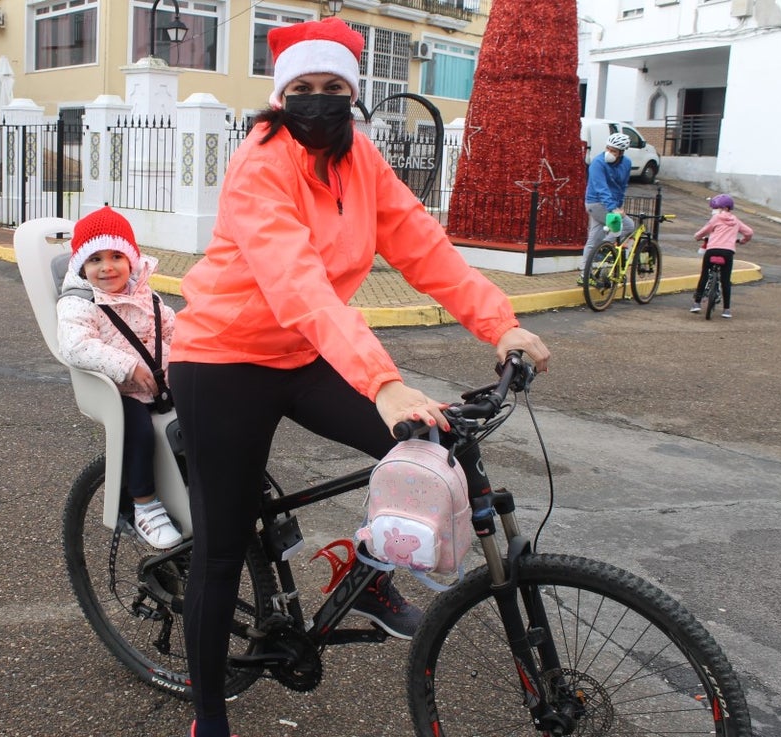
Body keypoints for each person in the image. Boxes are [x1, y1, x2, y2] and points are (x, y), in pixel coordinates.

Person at [167, 18, 551, 737]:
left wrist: (499, 323)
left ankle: (367, 574)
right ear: (282, 97)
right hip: (223, 359)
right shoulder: (260, 164)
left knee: (430, 446)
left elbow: (423, 246)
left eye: (333, 88)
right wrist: (382, 381)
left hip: (305, 354)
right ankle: (209, 718)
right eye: (303, 89)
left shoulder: (361, 160)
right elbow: (299, 285)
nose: (318, 101)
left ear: (353, 94)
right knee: (222, 549)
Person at [56, 205, 183, 549]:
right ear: (81, 266)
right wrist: (127, 367)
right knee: (138, 432)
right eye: (95, 259)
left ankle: (201, 486)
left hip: (161, 383)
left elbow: (171, 328)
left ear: (131, 260)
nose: (107, 267)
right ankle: (145, 505)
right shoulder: (79, 303)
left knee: (207, 410)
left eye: (116, 256)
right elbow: (76, 346)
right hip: (119, 392)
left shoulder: (143, 293)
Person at [581, 132, 636, 278]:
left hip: (610, 204)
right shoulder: (598, 163)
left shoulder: (626, 163)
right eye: (608, 148)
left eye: (614, 151)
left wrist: (619, 206)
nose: (609, 153)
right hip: (596, 203)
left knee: (593, 239)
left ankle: (585, 274)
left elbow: (622, 186)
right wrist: (613, 209)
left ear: (621, 153)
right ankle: (602, 249)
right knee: (628, 225)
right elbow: (601, 188)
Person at [691, 194, 753, 318]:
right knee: (725, 280)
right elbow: (749, 232)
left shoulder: (716, 218)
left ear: (725, 208)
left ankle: (697, 303)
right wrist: (743, 241)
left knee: (704, 275)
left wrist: (697, 237)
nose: (714, 210)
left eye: (716, 208)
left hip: (712, 250)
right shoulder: (736, 221)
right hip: (728, 252)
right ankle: (726, 310)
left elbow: (705, 230)